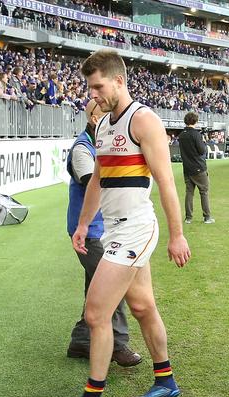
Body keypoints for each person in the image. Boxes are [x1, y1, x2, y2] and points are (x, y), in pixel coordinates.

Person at [53, 49, 191, 397]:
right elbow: (97, 180)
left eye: (97, 86)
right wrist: (83, 225)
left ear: (118, 80)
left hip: (136, 228)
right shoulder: (101, 127)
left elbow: (165, 181)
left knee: (96, 313)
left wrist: (177, 235)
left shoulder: (143, 120)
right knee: (144, 307)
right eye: (89, 86)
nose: (92, 93)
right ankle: (165, 380)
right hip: (114, 229)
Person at [65, 100, 142, 368]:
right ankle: (118, 345)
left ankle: (81, 340)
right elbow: (94, 183)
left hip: (103, 230)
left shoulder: (98, 145)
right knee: (113, 287)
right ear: (95, 119)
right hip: (91, 233)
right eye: (108, 116)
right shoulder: (82, 150)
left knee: (95, 286)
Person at [178, 112, 214, 224]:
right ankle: (207, 216)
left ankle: (188, 217)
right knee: (204, 191)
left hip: (187, 167)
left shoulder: (182, 135)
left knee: (189, 192)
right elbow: (202, 150)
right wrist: (203, 142)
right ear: (195, 121)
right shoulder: (196, 134)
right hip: (198, 167)